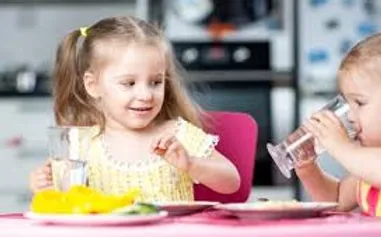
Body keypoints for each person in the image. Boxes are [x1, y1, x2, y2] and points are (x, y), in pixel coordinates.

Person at [29, 16, 240, 202]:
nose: (146, 95)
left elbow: (232, 182)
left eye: (156, 82)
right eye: (129, 83)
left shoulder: (178, 135)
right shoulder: (82, 144)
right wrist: (43, 185)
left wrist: (191, 164)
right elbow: (66, 197)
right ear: (93, 85)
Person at [297, 32, 381, 217]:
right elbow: (335, 200)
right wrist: (309, 170)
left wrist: (341, 146)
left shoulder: (372, 166)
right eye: (347, 103)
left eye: (359, 103)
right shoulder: (365, 169)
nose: (350, 117)